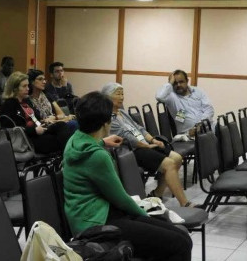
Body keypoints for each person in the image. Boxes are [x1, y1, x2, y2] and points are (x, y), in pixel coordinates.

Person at [63, 91, 192, 261]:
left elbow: (89, 150)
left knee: (178, 236)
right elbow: (121, 199)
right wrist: (145, 216)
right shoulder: (98, 156)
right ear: (105, 123)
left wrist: (102, 142)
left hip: (90, 214)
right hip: (98, 223)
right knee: (180, 243)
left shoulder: (74, 141)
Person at [102, 82, 200, 208]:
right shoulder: (109, 118)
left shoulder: (122, 112)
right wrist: (146, 146)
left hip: (144, 145)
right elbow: (128, 137)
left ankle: (157, 193)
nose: (122, 97)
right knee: (169, 164)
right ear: (107, 97)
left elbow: (140, 128)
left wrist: (153, 140)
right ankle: (185, 203)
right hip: (132, 151)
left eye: (122, 94)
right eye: (118, 94)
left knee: (177, 158)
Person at [0, 71, 72, 154]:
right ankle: (69, 157)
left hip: (38, 131)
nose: (28, 88)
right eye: (24, 86)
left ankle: (69, 156)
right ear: (15, 88)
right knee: (58, 140)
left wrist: (43, 123)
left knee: (61, 125)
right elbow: (10, 129)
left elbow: (36, 119)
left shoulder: (25, 102)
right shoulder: (9, 104)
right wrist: (34, 130)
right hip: (28, 138)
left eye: (27, 85)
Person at [156, 69, 215, 136]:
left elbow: (209, 109)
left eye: (181, 82)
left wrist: (200, 124)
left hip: (208, 129)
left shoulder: (198, 91)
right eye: (175, 83)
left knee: (224, 130)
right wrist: (169, 84)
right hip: (188, 135)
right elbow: (159, 97)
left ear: (187, 81)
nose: (178, 85)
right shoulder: (172, 97)